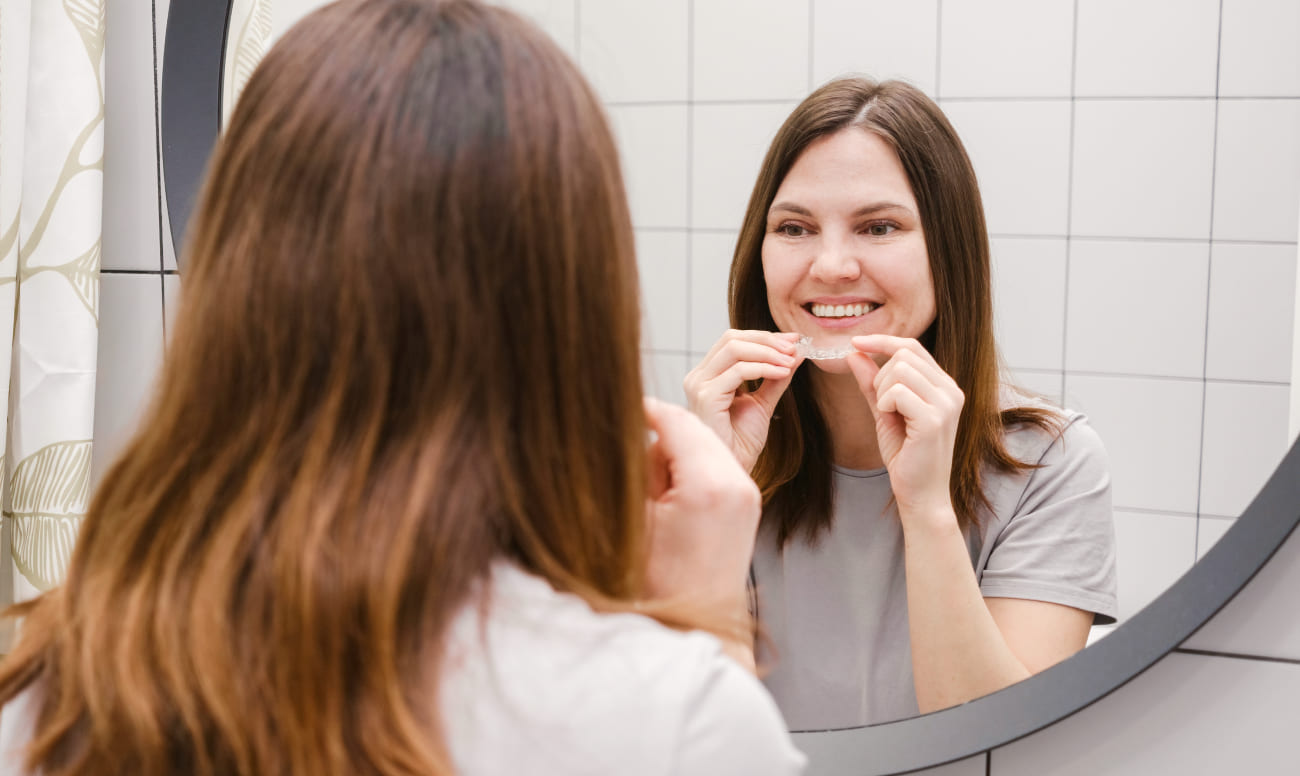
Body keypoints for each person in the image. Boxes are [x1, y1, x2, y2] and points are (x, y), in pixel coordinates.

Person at [0, 2, 806, 774]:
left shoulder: (59, 694)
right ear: (575, 316)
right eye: (795, 226)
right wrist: (707, 630)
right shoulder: (672, 721)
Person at [686, 77, 1117, 730]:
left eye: (878, 226)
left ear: (949, 253)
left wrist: (926, 509)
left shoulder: (1052, 466)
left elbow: (1004, 747)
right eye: (795, 227)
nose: (831, 265)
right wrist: (709, 505)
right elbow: (688, 735)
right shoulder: (710, 449)